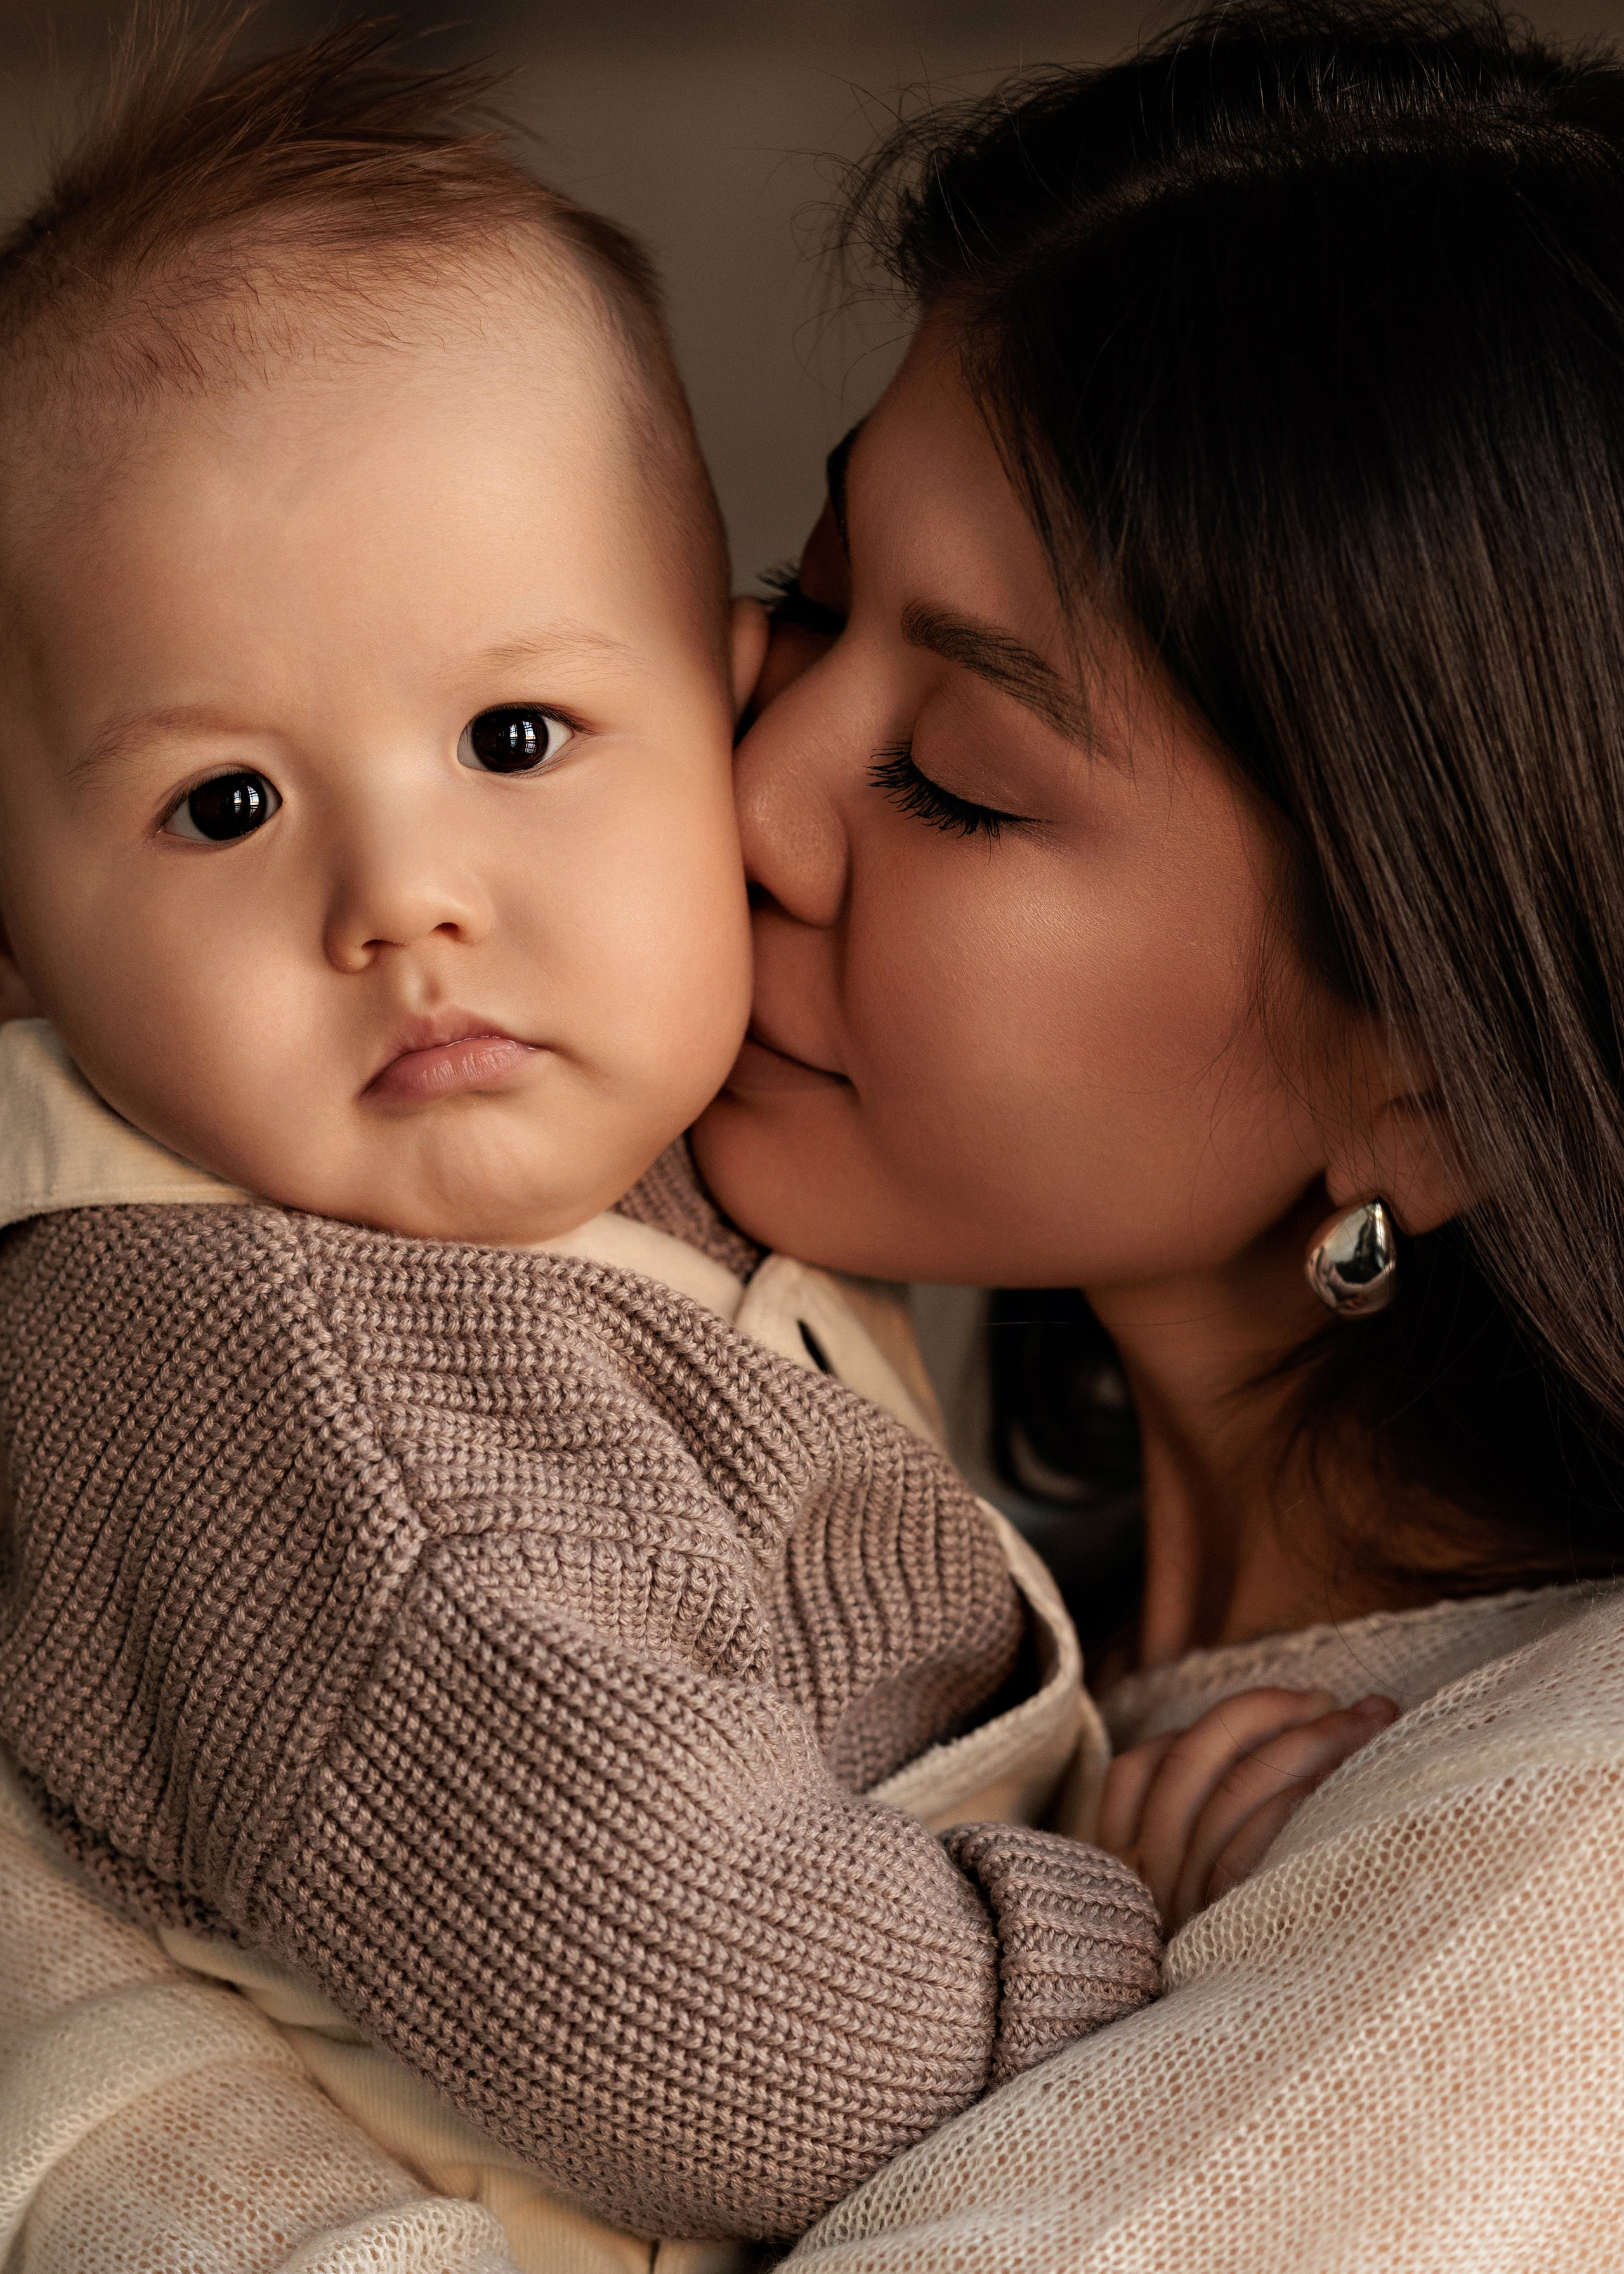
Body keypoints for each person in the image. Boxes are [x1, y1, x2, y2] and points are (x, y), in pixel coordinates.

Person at [0, 22, 1359, 2274]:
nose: (402, 902)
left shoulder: (594, 1178)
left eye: (518, 734)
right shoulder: (290, 1387)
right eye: (222, 803)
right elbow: (711, 2013)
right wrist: (1121, 1928)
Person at [679, 1, 1624, 2263]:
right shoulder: (917, 1577)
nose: (753, 791)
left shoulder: (1554, 1895)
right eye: (808, 605)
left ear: (1430, 1069)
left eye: (961, 782)